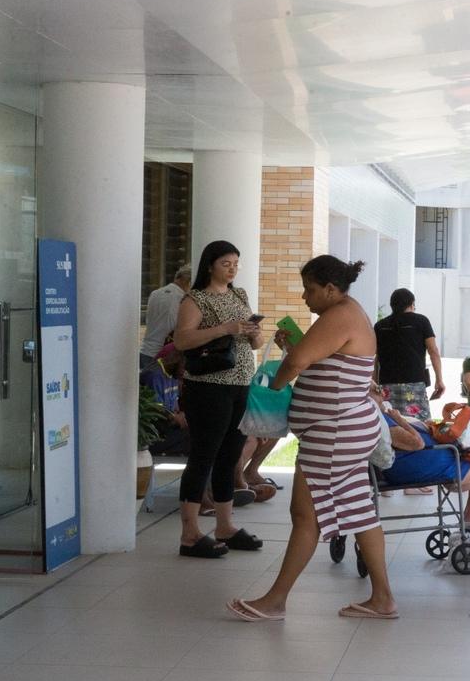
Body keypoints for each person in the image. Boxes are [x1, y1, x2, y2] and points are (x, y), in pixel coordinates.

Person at [227, 256, 397, 622]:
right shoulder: (345, 313)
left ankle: (276, 600)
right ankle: (383, 598)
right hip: (342, 430)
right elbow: (320, 359)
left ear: (331, 290)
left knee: (305, 515)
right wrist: (295, 350)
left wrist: (275, 383)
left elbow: (299, 362)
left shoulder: (340, 315)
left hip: (336, 431)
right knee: (359, 511)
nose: (305, 297)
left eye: (310, 289)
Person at [172, 241, 263, 557]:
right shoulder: (195, 299)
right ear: (210, 265)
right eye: (226, 263)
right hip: (207, 385)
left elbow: (254, 343)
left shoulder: (239, 295)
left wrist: (253, 333)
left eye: (236, 263)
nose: (233, 268)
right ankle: (190, 533)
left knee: (230, 455)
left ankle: (225, 526)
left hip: (239, 384)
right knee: (204, 455)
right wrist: (223, 328)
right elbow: (182, 339)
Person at [374, 387, 470, 539]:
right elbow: (417, 443)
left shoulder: (381, 415)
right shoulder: (383, 419)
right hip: (424, 467)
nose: (382, 392)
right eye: (376, 389)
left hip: (431, 462)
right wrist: (400, 420)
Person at [374, 288, 444, 420]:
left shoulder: (380, 326)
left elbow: (375, 359)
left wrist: (375, 384)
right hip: (414, 383)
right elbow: (433, 351)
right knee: (419, 424)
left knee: (392, 424)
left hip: (387, 384)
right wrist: (439, 379)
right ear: (412, 304)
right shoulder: (421, 321)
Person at [140, 265, 190, 369]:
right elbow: (174, 328)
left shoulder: (155, 293)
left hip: (145, 351)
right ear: (187, 282)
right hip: (162, 357)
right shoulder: (181, 299)